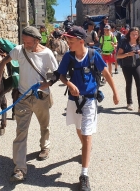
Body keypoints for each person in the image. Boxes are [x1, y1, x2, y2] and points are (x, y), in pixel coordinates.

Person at [0, 26, 59, 181]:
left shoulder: (47, 54)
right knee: (21, 133)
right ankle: (19, 169)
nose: (25, 45)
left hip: (41, 97)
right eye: (24, 42)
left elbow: (57, 73)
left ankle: (45, 146)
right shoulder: (19, 50)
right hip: (23, 98)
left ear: (37, 40)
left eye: (29, 43)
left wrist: (47, 84)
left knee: (44, 125)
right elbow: (2, 63)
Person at [58, 26, 119, 191]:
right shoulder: (68, 57)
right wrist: (69, 83)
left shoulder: (93, 55)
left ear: (80, 41)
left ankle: (84, 175)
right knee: (79, 130)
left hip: (90, 100)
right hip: (73, 101)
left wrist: (115, 92)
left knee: (86, 136)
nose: (67, 43)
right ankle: (86, 148)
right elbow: (61, 75)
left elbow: (106, 73)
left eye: (70, 41)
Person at [116, 27, 140, 115]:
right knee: (129, 83)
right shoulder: (124, 43)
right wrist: (128, 54)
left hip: (137, 66)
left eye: (136, 34)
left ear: (138, 35)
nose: (134, 36)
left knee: (139, 85)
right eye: (133, 34)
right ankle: (129, 103)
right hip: (126, 66)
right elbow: (118, 56)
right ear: (129, 34)